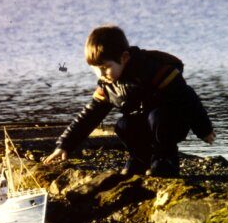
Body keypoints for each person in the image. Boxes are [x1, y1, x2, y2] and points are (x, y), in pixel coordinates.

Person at [43, 25, 215, 177]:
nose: (101, 74)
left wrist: (204, 130)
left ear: (124, 58)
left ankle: (166, 160)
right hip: (145, 124)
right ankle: (140, 159)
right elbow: (89, 116)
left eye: (105, 68)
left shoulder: (154, 71)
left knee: (157, 116)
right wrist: (65, 144)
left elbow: (188, 99)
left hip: (171, 122)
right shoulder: (107, 85)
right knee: (123, 125)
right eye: (95, 69)